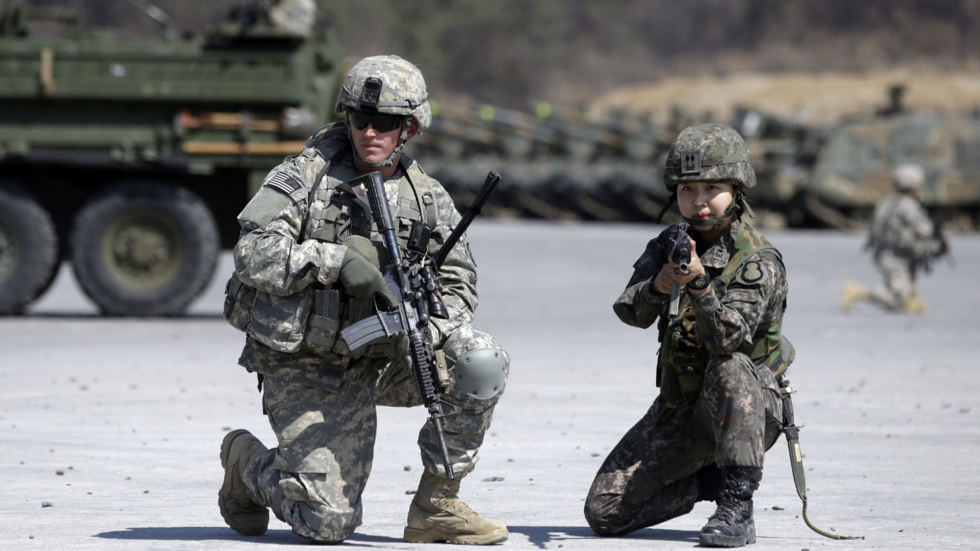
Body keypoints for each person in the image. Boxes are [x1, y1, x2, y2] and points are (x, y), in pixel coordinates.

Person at [218, 55, 510, 545]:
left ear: (410, 128)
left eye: (385, 122)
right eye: (360, 119)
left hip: (386, 356)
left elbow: (460, 283)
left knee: (479, 361)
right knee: (327, 522)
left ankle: (436, 505)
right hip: (307, 362)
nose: (370, 132)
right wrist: (334, 261)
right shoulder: (304, 177)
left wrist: (424, 331)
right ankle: (246, 464)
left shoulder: (427, 198)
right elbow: (251, 253)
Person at [584, 124, 792, 548]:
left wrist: (699, 285)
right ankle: (709, 481)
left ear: (736, 189)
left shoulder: (757, 260)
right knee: (605, 512)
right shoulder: (671, 243)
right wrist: (658, 286)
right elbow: (630, 312)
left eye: (712, 188)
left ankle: (737, 506)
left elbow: (726, 341)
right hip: (683, 407)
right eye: (686, 190)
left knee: (731, 367)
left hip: (746, 408)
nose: (698, 201)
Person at [842, 164, 944, 314]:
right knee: (897, 299)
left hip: (898, 254)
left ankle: (913, 302)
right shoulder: (906, 206)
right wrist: (934, 226)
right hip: (894, 256)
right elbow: (923, 230)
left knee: (909, 284)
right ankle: (857, 292)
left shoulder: (893, 202)